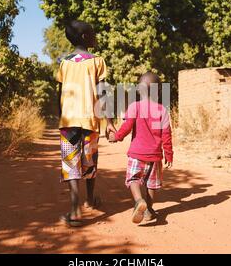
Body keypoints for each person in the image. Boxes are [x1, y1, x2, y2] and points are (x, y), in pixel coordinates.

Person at [56, 20, 116, 227]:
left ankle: (75, 209)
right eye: (92, 33)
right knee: (90, 160)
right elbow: (103, 92)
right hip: (90, 120)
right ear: (84, 37)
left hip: (68, 120)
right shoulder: (97, 61)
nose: (95, 36)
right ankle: (89, 199)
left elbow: (60, 94)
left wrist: (61, 115)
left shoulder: (64, 62)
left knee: (71, 162)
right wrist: (109, 121)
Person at [109, 72, 173, 224]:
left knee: (133, 179)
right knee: (152, 184)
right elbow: (167, 135)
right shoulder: (162, 111)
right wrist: (169, 154)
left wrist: (116, 137)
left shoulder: (134, 107)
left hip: (137, 154)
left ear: (138, 89)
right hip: (155, 155)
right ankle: (149, 210)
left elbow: (126, 127)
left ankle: (139, 201)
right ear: (158, 91)